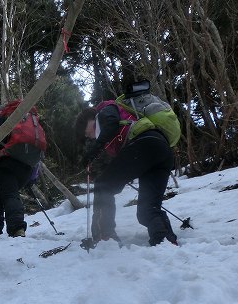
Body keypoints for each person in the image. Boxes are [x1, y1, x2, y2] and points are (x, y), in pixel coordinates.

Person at [76, 87, 177, 247]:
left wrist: (91, 153)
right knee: (146, 211)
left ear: (89, 118)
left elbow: (110, 124)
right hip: (161, 149)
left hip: (143, 144)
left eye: (86, 132)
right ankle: (165, 239)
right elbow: (122, 161)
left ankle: (104, 236)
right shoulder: (117, 123)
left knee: (103, 186)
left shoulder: (104, 110)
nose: (88, 136)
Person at [0, 99, 46, 238]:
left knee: (9, 195)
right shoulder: (31, 122)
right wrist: (32, 177)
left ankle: (17, 228)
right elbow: (36, 153)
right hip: (27, 168)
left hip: (6, 162)